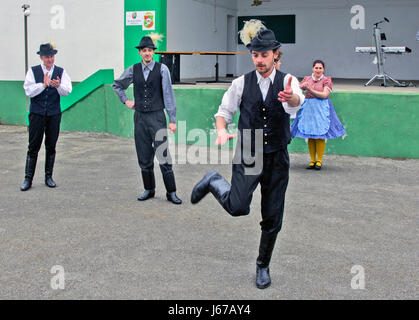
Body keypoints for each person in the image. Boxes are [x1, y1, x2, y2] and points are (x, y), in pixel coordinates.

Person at [190, 20, 304, 289]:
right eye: (255, 55)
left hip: (277, 155)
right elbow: (223, 112)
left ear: (276, 54)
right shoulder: (242, 83)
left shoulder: (288, 81)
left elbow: (297, 101)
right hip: (249, 152)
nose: (259, 60)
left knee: (273, 215)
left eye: (264, 55)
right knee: (238, 206)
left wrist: (291, 99)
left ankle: (262, 265)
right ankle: (214, 181)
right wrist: (220, 130)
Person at [112, 34, 182, 204]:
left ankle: (171, 192)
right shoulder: (133, 69)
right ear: (140, 53)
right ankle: (149, 189)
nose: (147, 53)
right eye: (144, 51)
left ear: (153, 52)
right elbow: (117, 85)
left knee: (163, 155)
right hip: (140, 118)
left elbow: (168, 95)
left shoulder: (162, 69)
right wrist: (126, 100)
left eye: (150, 50)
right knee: (143, 156)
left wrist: (172, 119)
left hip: (157, 117)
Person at [21, 42, 72, 191]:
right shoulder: (33, 71)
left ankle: (48, 176)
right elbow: (28, 91)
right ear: (41, 57)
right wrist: (42, 85)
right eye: (47, 57)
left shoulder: (61, 72)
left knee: (51, 146)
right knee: (33, 147)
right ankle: (28, 179)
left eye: (51, 56)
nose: (50, 59)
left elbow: (67, 91)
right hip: (37, 114)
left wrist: (58, 86)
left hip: (53, 114)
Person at [291, 60, 346, 170]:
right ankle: (312, 161)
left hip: (321, 109)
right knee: (310, 135)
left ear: (323, 69)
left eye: (320, 68)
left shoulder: (326, 80)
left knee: (320, 135)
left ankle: (319, 161)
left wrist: (309, 89)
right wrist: (302, 85)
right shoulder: (307, 79)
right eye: (316, 68)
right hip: (308, 109)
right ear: (312, 68)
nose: (318, 70)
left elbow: (325, 95)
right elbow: (298, 88)